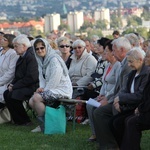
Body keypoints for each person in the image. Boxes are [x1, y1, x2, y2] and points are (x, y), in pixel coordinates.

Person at [93, 37, 132, 150]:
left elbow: (124, 89)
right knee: (97, 110)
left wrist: (110, 100)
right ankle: (106, 144)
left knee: (100, 112)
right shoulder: (122, 63)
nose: (113, 53)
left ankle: (111, 145)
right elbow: (116, 87)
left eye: (114, 50)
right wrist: (106, 97)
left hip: (125, 101)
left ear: (122, 50)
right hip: (117, 98)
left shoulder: (126, 64)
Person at [29, 38, 73, 132]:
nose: (40, 50)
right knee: (31, 101)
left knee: (36, 98)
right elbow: (42, 77)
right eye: (37, 49)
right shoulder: (41, 60)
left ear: (47, 47)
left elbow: (55, 79)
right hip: (52, 89)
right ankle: (49, 124)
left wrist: (45, 90)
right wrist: (41, 88)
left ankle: (45, 126)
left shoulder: (54, 59)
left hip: (61, 89)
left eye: (42, 47)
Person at [109, 47, 150, 148]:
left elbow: (141, 96)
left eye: (131, 61)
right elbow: (124, 89)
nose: (128, 64)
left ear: (140, 60)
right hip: (131, 106)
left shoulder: (146, 74)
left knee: (129, 122)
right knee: (114, 122)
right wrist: (118, 100)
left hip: (140, 107)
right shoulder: (132, 73)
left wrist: (121, 98)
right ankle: (122, 146)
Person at [86, 40, 121, 141]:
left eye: (106, 51)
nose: (103, 53)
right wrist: (101, 95)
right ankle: (95, 133)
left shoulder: (118, 65)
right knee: (89, 104)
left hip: (111, 97)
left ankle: (103, 135)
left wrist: (106, 97)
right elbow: (104, 82)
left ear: (112, 52)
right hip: (104, 96)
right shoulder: (107, 65)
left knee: (98, 109)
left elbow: (117, 85)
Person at [3, 34, 39, 125]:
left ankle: (25, 120)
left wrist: (15, 86)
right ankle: (18, 119)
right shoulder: (23, 55)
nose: (14, 48)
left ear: (23, 46)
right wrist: (12, 84)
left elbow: (31, 77)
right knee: (7, 93)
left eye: (16, 46)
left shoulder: (31, 56)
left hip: (33, 86)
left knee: (14, 95)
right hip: (24, 84)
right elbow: (17, 74)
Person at [0, 34, 19, 109]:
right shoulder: (1, 51)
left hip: (8, 82)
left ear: (10, 42)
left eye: (5, 40)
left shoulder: (13, 53)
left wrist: (0, 81)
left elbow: (11, 72)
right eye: (2, 39)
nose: (1, 40)